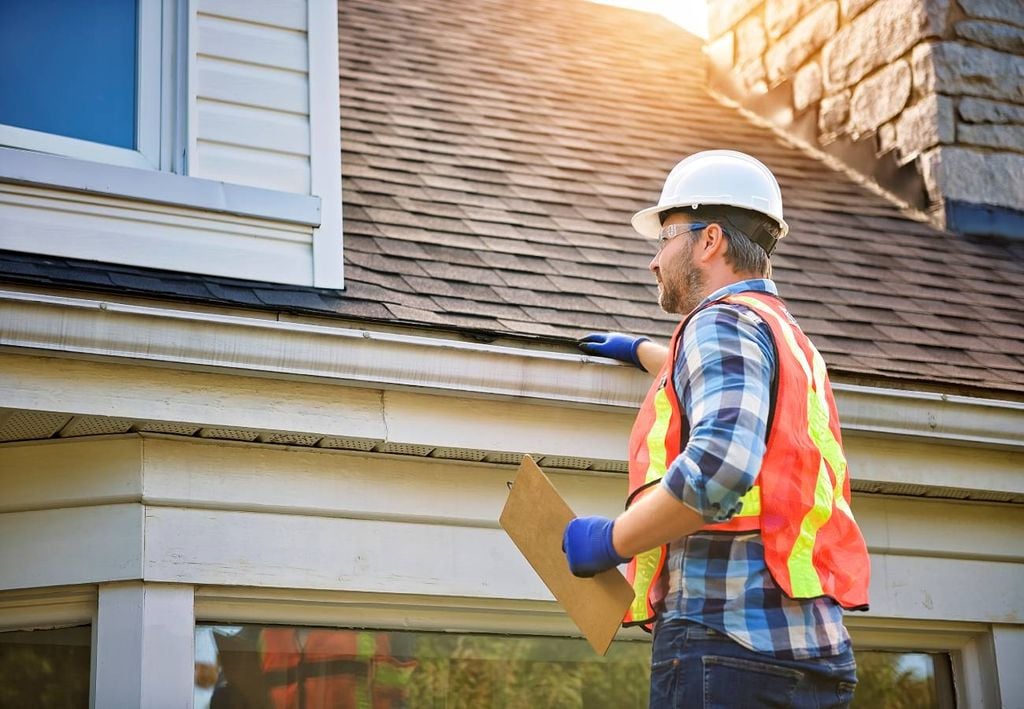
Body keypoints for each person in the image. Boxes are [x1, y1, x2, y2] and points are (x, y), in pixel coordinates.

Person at [562, 150, 870, 708]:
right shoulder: (787, 338)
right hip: (807, 653)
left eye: (664, 239)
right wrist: (651, 353)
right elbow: (738, 388)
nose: (655, 261)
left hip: (728, 643)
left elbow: (720, 469)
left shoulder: (720, 323)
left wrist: (611, 540)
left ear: (709, 241)